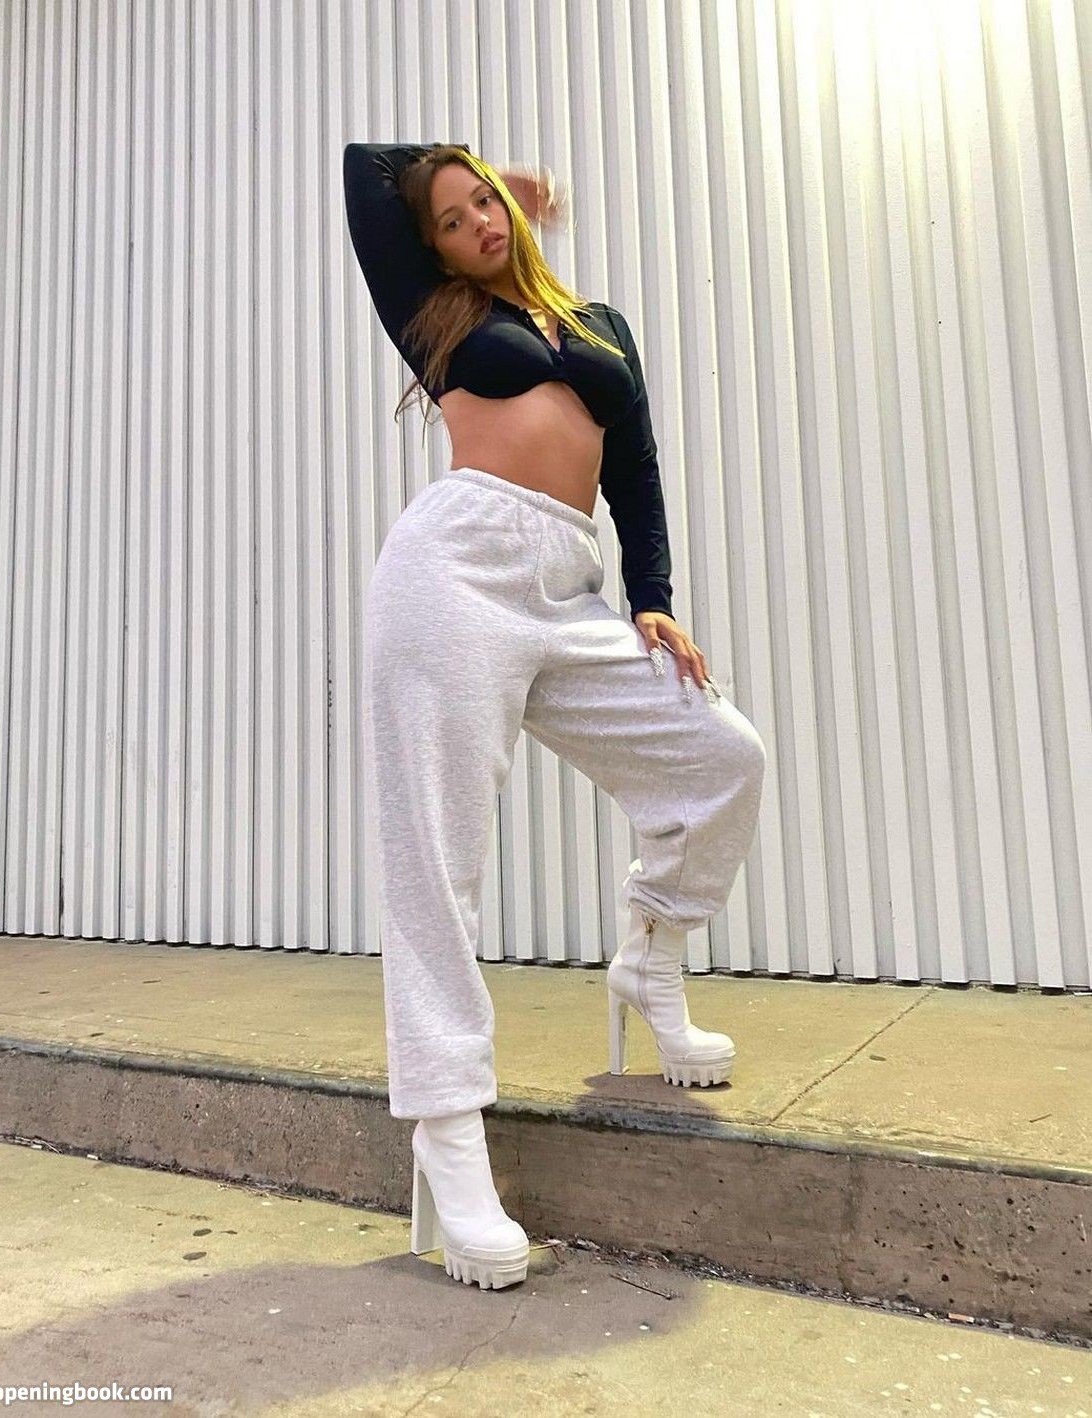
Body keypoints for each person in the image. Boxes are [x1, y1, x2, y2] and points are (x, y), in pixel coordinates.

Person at [343, 140, 766, 1291]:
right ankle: (448, 1131)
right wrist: (488, 182)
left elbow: (637, 471)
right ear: (430, 246)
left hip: (570, 582)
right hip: (456, 571)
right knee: (437, 856)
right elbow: (363, 171)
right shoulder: (437, 317)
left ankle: (650, 958)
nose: (478, 220)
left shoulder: (601, 324)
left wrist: (653, 599)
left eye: (484, 200)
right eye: (452, 216)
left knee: (720, 754)